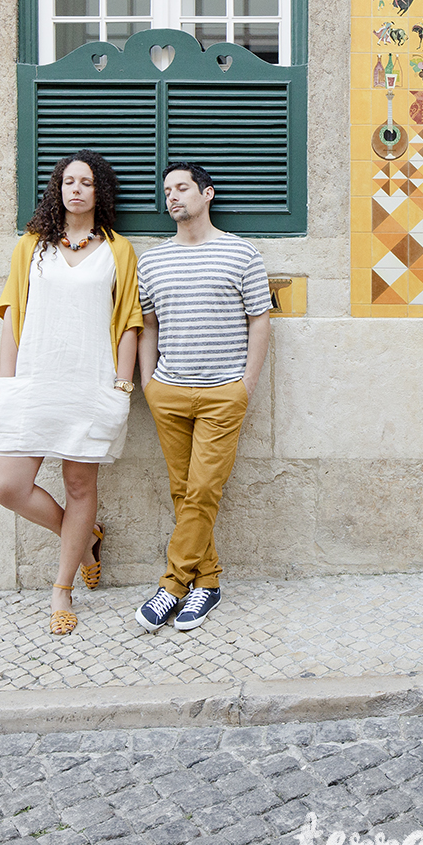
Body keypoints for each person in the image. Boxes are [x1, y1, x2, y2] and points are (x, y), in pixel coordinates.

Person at [0, 152, 141, 637]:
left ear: (101, 193)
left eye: (87, 182)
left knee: (80, 488)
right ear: (57, 189)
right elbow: (13, 314)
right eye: (68, 181)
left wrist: (121, 387)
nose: (76, 189)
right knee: (7, 486)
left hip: (90, 382)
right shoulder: (32, 246)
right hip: (35, 381)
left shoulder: (119, 251)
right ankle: (84, 538)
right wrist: (7, 382)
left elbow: (129, 324)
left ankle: (62, 589)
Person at [135, 161, 270, 635]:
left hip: (222, 395)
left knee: (204, 489)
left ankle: (172, 585)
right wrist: (149, 383)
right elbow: (147, 326)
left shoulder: (241, 254)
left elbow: (260, 320)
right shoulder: (151, 261)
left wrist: (244, 386)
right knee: (184, 492)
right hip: (168, 392)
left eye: (183, 188)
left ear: (207, 194)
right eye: (167, 190)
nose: (172, 196)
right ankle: (207, 582)